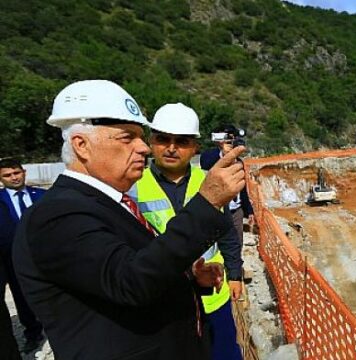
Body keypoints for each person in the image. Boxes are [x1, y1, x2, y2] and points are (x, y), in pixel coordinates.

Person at [12, 80, 246, 360]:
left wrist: (190, 279)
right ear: (82, 145)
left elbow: (123, 271)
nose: (143, 148)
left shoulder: (108, 203)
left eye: (140, 136)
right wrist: (207, 203)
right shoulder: (58, 215)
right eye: (127, 137)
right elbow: (129, 282)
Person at [129, 103, 243, 360]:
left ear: (195, 147)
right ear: (151, 141)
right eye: (163, 139)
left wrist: (234, 274)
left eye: (181, 141)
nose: (171, 147)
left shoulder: (211, 181)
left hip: (213, 296)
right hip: (163, 297)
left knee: (224, 353)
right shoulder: (133, 188)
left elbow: (226, 234)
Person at [0, 158, 45, 353]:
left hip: (44, 256)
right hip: (12, 258)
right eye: (8, 175)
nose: (14, 177)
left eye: (16, 173)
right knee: (21, 296)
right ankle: (33, 333)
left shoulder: (43, 195)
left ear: (23, 172)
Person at [200, 124, 254, 245]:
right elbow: (205, 164)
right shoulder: (210, 155)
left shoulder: (238, 162)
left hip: (236, 211)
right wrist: (223, 155)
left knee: (236, 242)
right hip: (217, 210)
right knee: (215, 243)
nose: (229, 140)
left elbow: (242, 188)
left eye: (231, 137)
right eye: (226, 137)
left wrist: (249, 211)